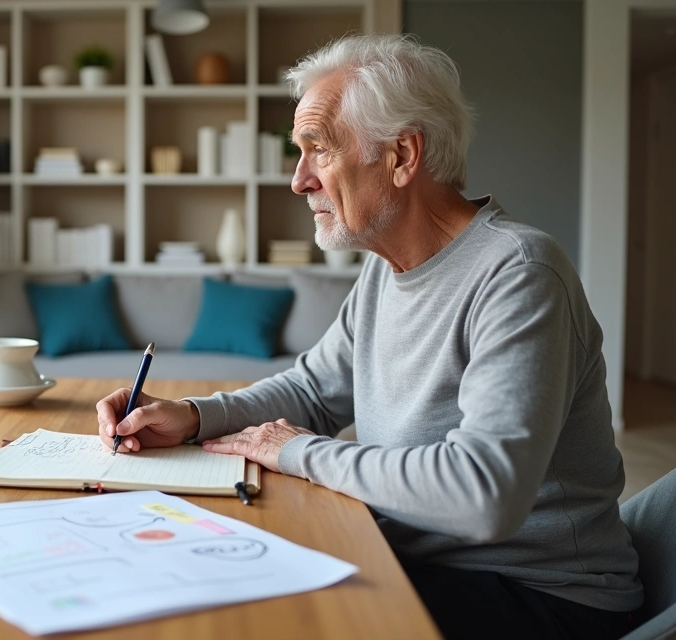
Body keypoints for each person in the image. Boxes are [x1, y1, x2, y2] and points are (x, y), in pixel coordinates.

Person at [96, 34, 642, 640]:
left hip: (540, 598)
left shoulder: (519, 274)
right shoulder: (386, 270)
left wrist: (298, 451)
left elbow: (484, 495)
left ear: (402, 155)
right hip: (422, 561)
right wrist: (193, 416)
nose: (299, 180)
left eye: (318, 150)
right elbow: (312, 391)